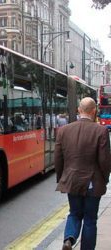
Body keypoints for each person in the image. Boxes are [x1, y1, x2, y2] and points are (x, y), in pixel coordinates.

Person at [55, 97, 111, 250]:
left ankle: (69, 239)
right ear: (94, 111)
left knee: (74, 213)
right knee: (90, 219)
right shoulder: (101, 130)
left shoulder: (63, 130)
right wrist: (105, 179)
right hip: (93, 182)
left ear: (79, 110)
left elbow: (58, 158)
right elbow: (105, 160)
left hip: (72, 181)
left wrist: (61, 179)